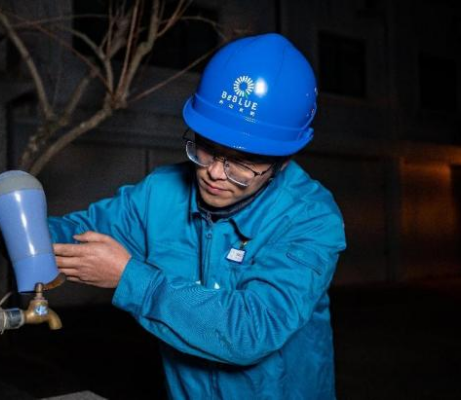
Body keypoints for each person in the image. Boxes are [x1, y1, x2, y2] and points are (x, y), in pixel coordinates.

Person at [48, 33, 346, 400]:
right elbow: (78, 232)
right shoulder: (160, 194)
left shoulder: (311, 219)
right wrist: (25, 231)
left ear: (282, 161)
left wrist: (131, 279)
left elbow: (250, 331)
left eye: (242, 161)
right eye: (206, 147)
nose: (215, 173)